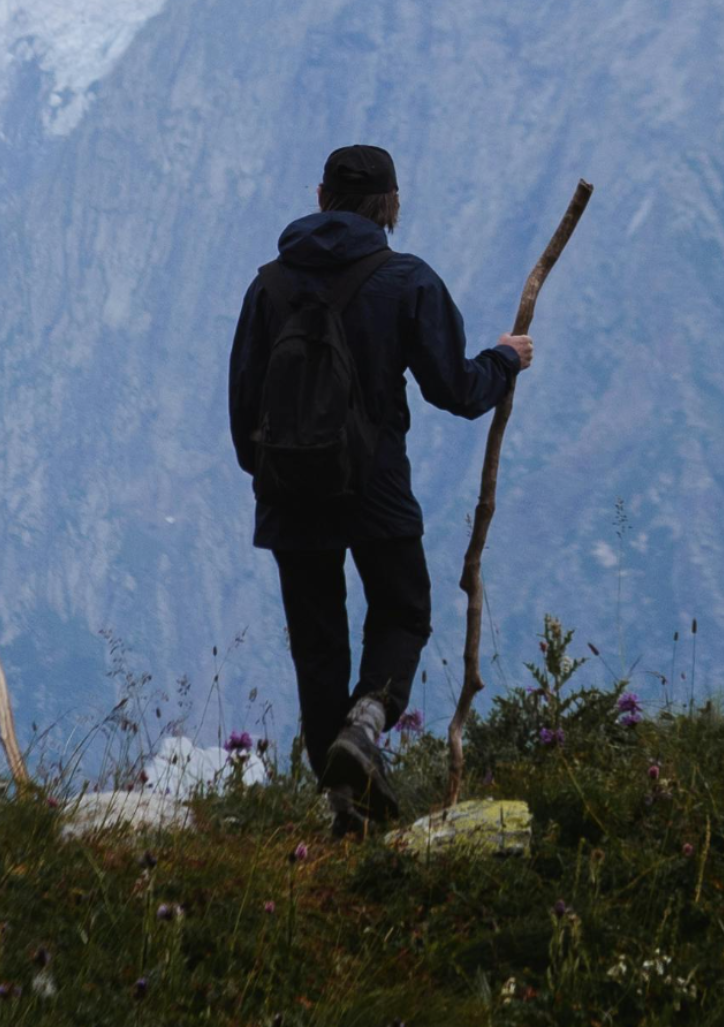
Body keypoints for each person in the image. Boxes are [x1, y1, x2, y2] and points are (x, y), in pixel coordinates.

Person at [227, 143, 534, 833]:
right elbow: (454, 390)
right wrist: (504, 361)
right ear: (391, 205)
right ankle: (367, 724)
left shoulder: (266, 287)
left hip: (288, 501)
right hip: (376, 491)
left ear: (319, 196)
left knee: (317, 648)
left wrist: (282, 477)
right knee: (402, 614)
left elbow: (242, 413)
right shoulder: (407, 281)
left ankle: (346, 812)